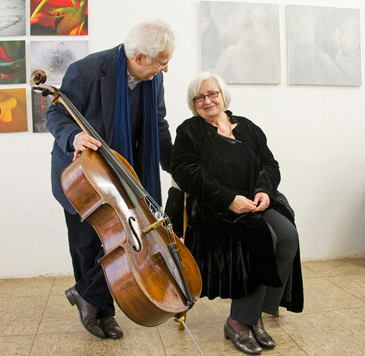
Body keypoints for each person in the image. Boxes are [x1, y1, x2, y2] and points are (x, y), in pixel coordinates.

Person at [45, 21, 175, 340]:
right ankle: (99, 310)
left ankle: (88, 297)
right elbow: (55, 115)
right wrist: (73, 136)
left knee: (122, 245)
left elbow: (158, 125)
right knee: (86, 246)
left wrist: (177, 167)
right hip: (84, 177)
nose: (166, 69)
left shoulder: (152, 80)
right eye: (162, 62)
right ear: (140, 57)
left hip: (125, 176)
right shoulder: (88, 70)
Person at [166, 72, 303, 355]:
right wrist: (229, 200)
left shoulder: (248, 127)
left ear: (222, 95)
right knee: (261, 237)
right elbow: (187, 172)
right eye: (199, 97)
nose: (207, 101)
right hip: (214, 208)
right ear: (194, 103)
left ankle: (256, 313)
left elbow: (270, 164)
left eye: (212, 94)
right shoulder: (189, 131)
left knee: (288, 236)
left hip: (256, 202)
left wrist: (264, 191)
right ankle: (238, 322)